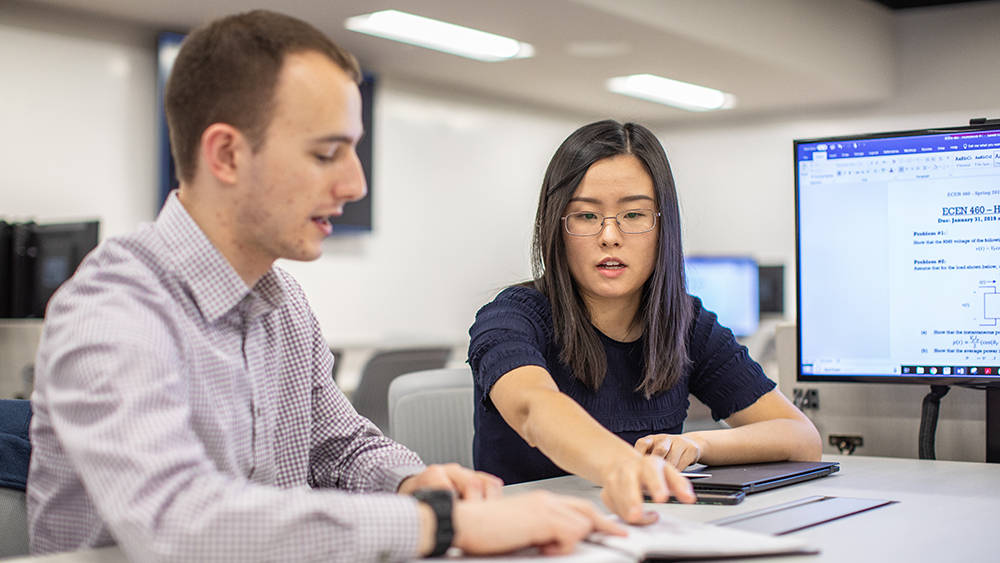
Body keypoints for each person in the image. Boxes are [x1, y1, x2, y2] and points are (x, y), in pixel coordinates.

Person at [27, 11, 624, 562]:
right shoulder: (112, 310)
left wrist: (416, 484)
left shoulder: (282, 305)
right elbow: (178, 520)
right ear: (227, 155)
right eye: (327, 153)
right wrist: (439, 527)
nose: (355, 183)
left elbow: (343, 447)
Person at [468, 120, 822, 524]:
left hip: (645, 533)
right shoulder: (512, 317)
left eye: (633, 214)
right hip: (532, 541)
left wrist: (697, 445)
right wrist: (623, 465)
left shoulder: (685, 324)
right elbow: (534, 408)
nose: (610, 236)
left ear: (662, 225)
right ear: (556, 227)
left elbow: (801, 438)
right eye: (585, 216)